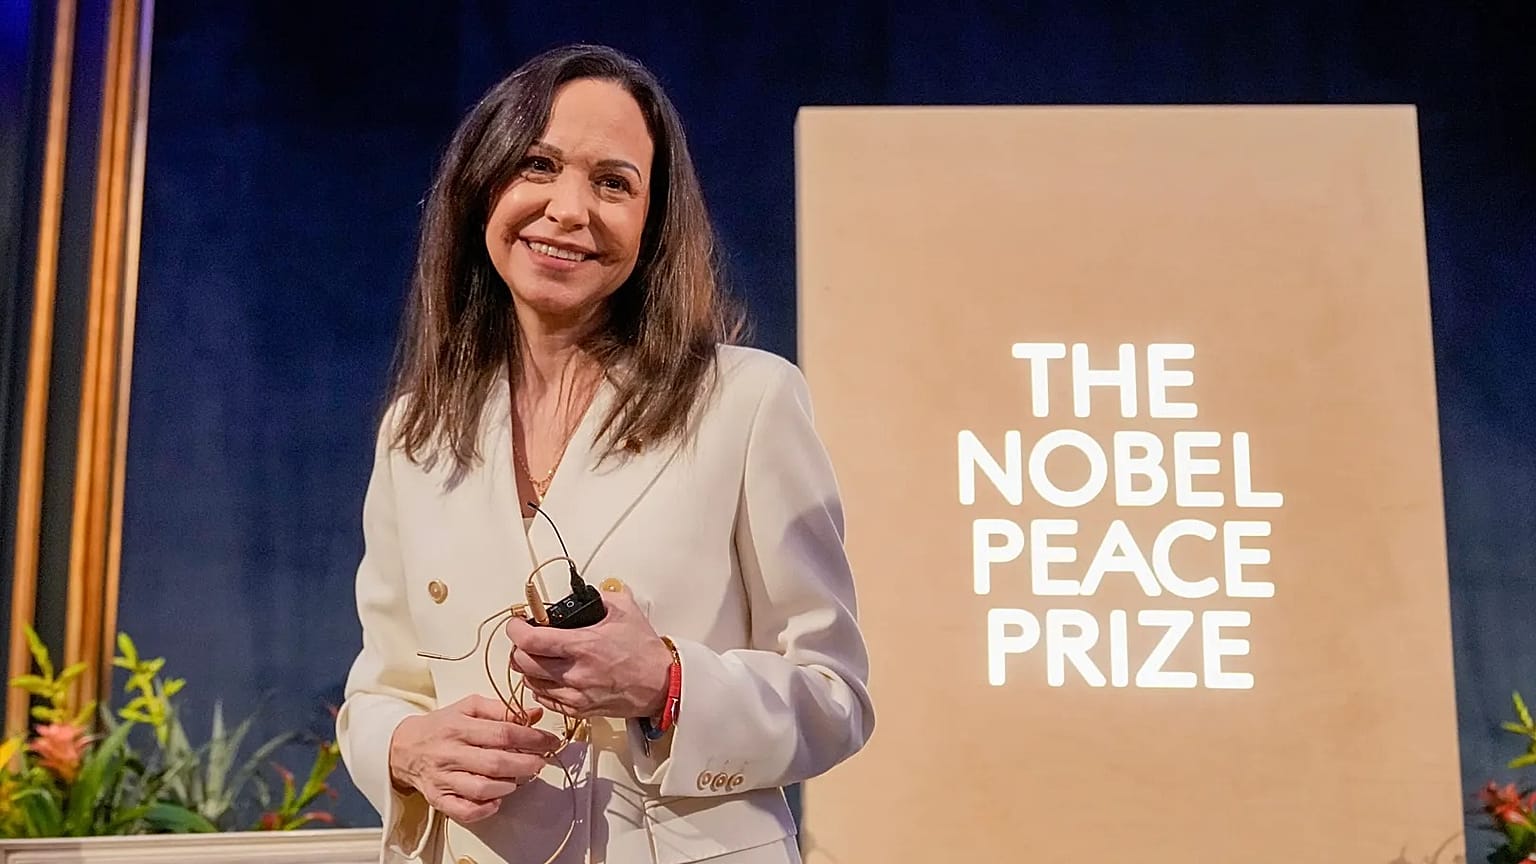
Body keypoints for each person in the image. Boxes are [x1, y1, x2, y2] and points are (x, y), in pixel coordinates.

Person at [335, 44, 874, 864]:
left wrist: (665, 683)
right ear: (484, 185)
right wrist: (407, 751)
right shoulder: (417, 432)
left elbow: (834, 695)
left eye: (613, 183)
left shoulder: (747, 401)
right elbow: (383, 687)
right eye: (538, 165)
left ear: (653, 223)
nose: (567, 208)